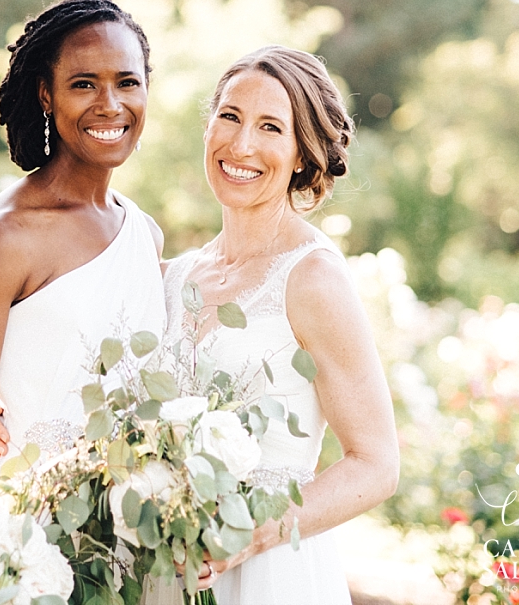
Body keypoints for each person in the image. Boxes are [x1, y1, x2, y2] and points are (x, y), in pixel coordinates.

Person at [155, 45, 399, 603]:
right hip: (166, 568)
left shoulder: (312, 278)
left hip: (268, 576)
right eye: (230, 117)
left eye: (270, 127)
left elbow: (376, 464)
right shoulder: (172, 277)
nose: (241, 145)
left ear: (300, 155)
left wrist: (250, 533)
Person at [0, 0, 167, 491]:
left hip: (129, 536)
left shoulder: (144, 234)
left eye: (127, 82)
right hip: (26, 528)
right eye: (84, 84)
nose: (110, 105)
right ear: (45, 94)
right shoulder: (2, 238)